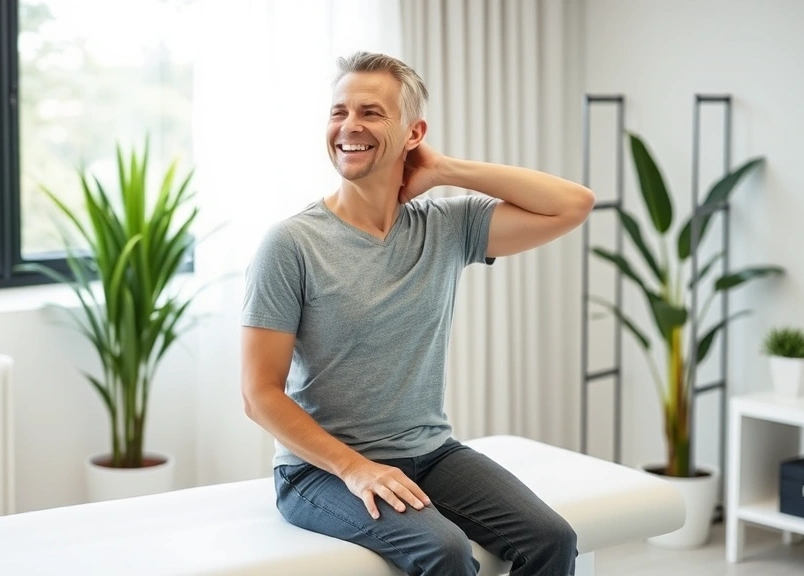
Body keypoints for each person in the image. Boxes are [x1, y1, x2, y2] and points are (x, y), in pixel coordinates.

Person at [240, 51, 594, 576]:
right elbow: (258, 394)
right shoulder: (291, 243)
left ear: (413, 132)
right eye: (338, 112)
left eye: (371, 112)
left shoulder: (447, 227)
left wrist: (446, 169)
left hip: (431, 454)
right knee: (445, 551)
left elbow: (573, 204)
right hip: (320, 472)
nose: (348, 127)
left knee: (552, 540)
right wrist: (356, 470)